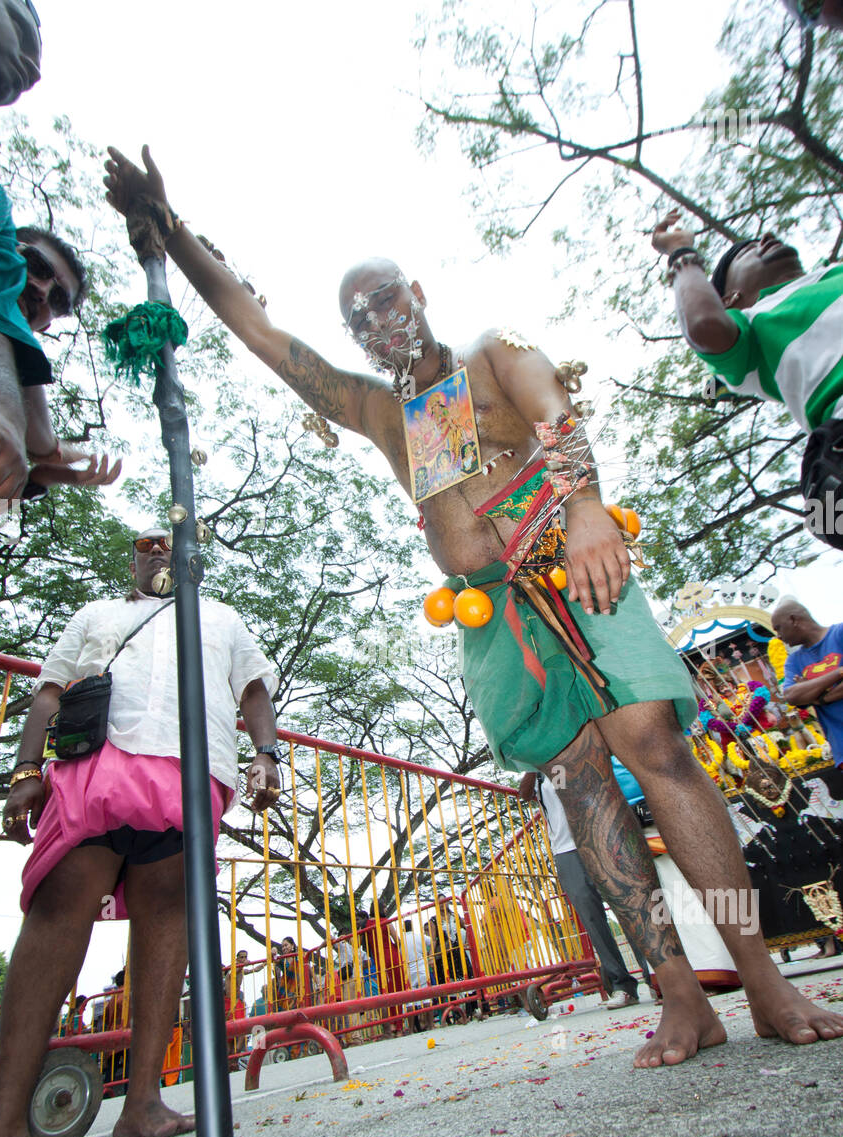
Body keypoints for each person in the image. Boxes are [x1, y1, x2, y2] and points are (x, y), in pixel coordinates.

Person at [102, 149, 843, 1068]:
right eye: (357, 317)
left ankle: (763, 978)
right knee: (579, 787)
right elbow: (263, 335)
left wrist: (581, 512)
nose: (376, 321)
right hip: (496, 621)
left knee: (653, 745)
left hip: (576, 569)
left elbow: (557, 418)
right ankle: (680, 996)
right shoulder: (381, 412)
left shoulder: (497, 350)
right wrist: (169, 233)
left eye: (384, 298)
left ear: (415, 290)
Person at [0, 527, 281, 1137]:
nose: (160, 551)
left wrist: (266, 754)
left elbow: (255, 688)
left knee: (167, 911)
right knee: (59, 905)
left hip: (188, 768)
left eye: (174, 544)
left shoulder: (221, 618)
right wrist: (26, 768)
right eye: (148, 543)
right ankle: (1, 1126)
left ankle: (142, 1101)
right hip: (93, 769)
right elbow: (50, 690)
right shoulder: (96, 615)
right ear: (135, 557)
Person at [0, 2, 120, 513]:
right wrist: (46, 450)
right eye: (35, 268)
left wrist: (41, 471)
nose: (39, 291)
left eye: (57, 299)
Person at [651, 214, 843, 551]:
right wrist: (681, 252)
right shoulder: (753, 325)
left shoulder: (834, 274)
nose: (767, 235)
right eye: (746, 251)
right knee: (828, 511)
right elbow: (703, 324)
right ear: (731, 300)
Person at [520, 770, 650, 1008]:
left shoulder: (568, 756)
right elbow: (523, 794)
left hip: (597, 837)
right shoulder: (537, 774)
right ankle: (622, 985)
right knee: (592, 919)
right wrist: (531, 766)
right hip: (565, 849)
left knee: (625, 908)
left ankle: (656, 975)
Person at [772, 599, 843, 768]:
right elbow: (791, 696)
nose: (778, 636)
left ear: (794, 620)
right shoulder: (794, 661)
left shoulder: (839, 633)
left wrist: (816, 695)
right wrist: (838, 673)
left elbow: (802, 695)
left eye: (778, 628)